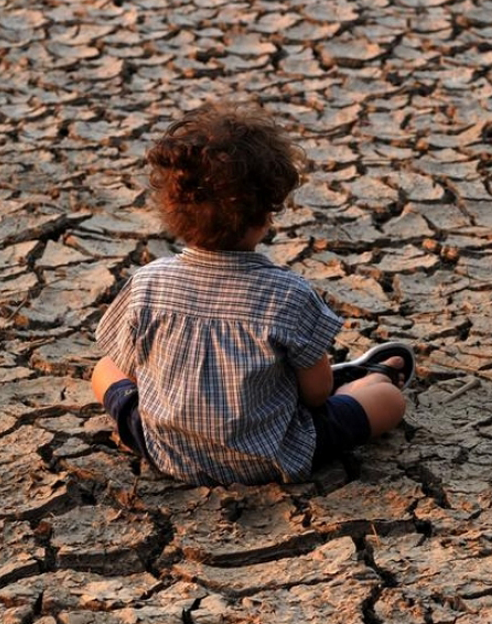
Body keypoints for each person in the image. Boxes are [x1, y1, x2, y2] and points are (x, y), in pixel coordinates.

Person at [90, 101, 413, 486]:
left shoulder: (147, 283)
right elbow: (316, 395)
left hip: (167, 450)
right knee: (388, 399)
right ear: (265, 214)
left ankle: (354, 378)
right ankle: (364, 378)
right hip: (272, 455)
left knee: (103, 369)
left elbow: (129, 370)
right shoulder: (288, 295)